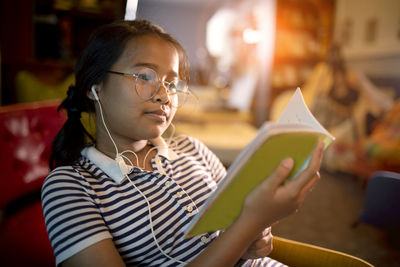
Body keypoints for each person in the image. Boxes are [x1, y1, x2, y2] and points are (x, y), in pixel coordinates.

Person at [41, 20, 324, 267]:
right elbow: (244, 223)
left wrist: (254, 236)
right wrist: (248, 224)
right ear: (96, 87)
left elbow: (235, 230)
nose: (165, 95)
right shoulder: (70, 187)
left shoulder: (193, 150)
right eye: (144, 77)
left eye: (172, 83)